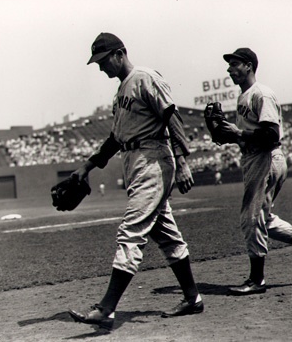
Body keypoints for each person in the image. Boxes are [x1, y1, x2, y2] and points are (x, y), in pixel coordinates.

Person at [68, 33, 203, 329]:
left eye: (104, 61)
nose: (101, 68)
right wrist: (87, 166)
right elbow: (116, 139)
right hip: (135, 161)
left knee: (130, 230)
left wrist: (182, 161)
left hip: (153, 157)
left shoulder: (145, 77)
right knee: (165, 235)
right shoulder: (120, 94)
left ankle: (106, 308)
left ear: (120, 53)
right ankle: (193, 298)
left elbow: (172, 117)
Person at [217, 48, 292, 296]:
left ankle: (257, 280)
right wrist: (230, 135)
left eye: (234, 64)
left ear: (248, 66)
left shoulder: (262, 94)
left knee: (251, 218)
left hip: (266, 158)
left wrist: (238, 134)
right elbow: (250, 136)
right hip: (258, 158)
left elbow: (270, 135)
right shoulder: (244, 96)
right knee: (264, 220)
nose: (229, 69)